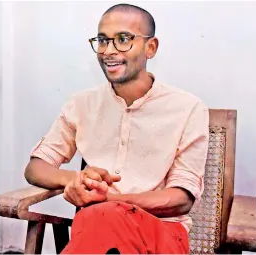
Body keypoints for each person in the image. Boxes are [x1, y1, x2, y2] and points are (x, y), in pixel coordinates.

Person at [24, 3, 209, 254]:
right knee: (98, 220)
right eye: (102, 40)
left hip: (160, 233)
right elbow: (36, 168)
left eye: (123, 39)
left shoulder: (188, 108)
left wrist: (108, 200)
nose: (109, 51)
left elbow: (181, 199)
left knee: (101, 216)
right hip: (95, 233)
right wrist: (77, 180)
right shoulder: (81, 104)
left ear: (150, 47)